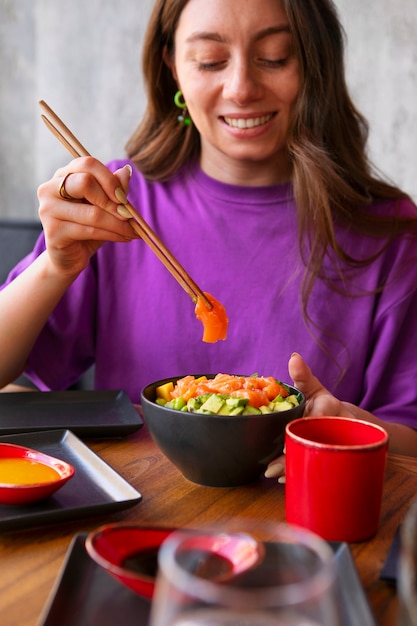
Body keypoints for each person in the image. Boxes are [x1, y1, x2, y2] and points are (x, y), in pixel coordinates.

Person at [1, 0, 417, 481]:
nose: (241, 88)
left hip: (309, 527)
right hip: (140, 515)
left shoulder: (390, 231)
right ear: (172, 67)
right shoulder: (118, 204)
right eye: (210, 62)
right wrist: (56, 266)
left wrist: (350, 430)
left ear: (314, 63)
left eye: (275, 57)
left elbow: (411, 434)